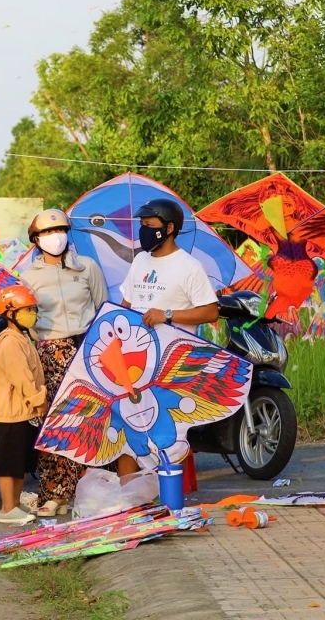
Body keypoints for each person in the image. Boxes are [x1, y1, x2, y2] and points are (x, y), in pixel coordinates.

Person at [116, 198, 218, 476]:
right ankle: (131, 503)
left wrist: (168, 315)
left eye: (150, 226)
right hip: (135, 366)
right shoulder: (139, 261)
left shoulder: (189, 266)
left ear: (170, 227)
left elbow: (210, 312)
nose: (144, 231)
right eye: (142, 226)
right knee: (130, 437)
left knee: (170, 438)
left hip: (173, 366)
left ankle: (168, 502)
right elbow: (125, 306)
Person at [19, 209, 108, 517]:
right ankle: (55, 494)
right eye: (46, 233)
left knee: (87, 423)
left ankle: (87, 490)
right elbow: (25, 320)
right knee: (54, 424)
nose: (54, 237)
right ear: (36, 240)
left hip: (86, 351)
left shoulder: (88, 268)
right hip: (49, 354)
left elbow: (102, 309)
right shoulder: (28, 277)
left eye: (59, 230)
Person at [0, 284, 47, 525]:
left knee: (22, 461)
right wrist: (39, 401)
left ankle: (15, 504)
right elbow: (22, 378)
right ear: (10, 313)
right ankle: (7, 508)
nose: (31, 313)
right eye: (26, 309)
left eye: (32, 309)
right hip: (13, 412)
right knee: (10, 462)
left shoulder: (22, 338)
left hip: (24, 411)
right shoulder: (10, 342)